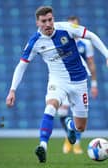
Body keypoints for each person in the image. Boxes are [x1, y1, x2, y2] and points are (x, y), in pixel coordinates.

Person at [6, 6, 108, 163]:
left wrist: (107, 55)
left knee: (81, 127)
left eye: (50, 20)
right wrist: (12, 90)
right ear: (37, 23)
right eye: (43, 21)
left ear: (53, 19)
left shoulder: (66, 28)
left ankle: (70, 125)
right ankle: (43, 145)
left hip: (79, 81)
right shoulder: (35, 42)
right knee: (51, 106)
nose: (48, 24)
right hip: (57, 81)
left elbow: (91, 36)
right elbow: (21, 66)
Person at [58, 16, 98, 154]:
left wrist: (94, 84)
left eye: (75, 26)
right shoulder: (61, 42)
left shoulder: (86, 44)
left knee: (79, 114)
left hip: (80, 80)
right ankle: (69, 136)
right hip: (64, 81)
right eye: (70, 26)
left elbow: (91, 64)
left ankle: (77, 144)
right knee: (62, 112)